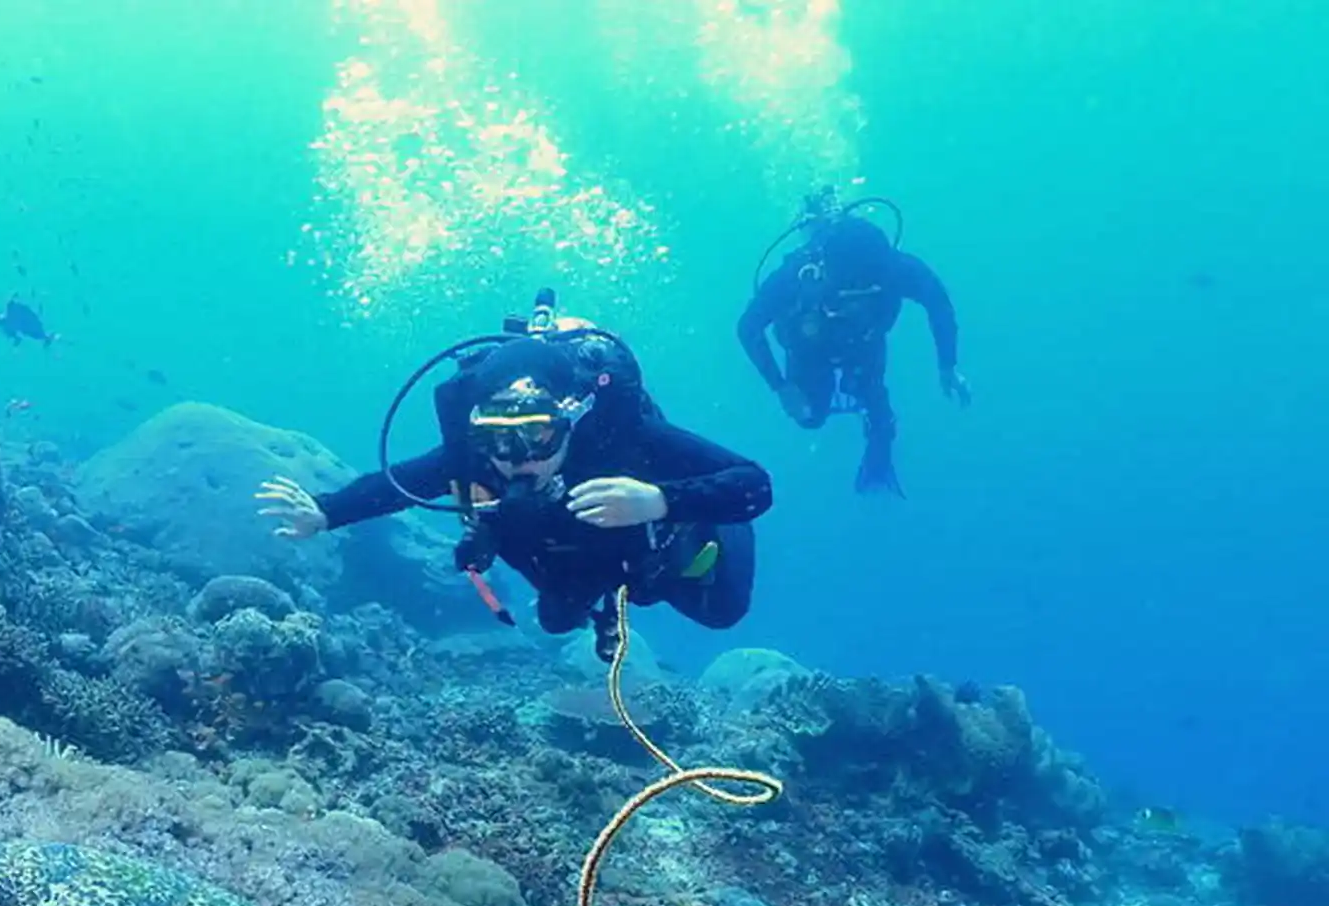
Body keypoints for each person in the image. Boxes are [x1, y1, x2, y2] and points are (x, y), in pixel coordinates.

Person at [257, 320, 772, 663]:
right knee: (555, 620)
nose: (519, 456)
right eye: (499, 439)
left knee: (721, 611)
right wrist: (324, 513)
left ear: (569, 422)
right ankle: (602, 608)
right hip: (580, 557)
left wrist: (660, 500)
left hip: (661, 544)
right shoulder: (475, 458)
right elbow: (399, 485)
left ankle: (690, 540)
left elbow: (753, 485)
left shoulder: (622, 438)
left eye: (538, 435)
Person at [737, 188, 969, 494]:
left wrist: (947, 365)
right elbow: (747, 327)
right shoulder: (796, 275)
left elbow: (938, 302)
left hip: (865, 343)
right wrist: (781, 387)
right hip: (810, 350)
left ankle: (876, 476)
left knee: (879, 415)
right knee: (809, 419)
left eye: (870, 291)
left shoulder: (893, 267)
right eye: (851, 294)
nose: (858, 301)